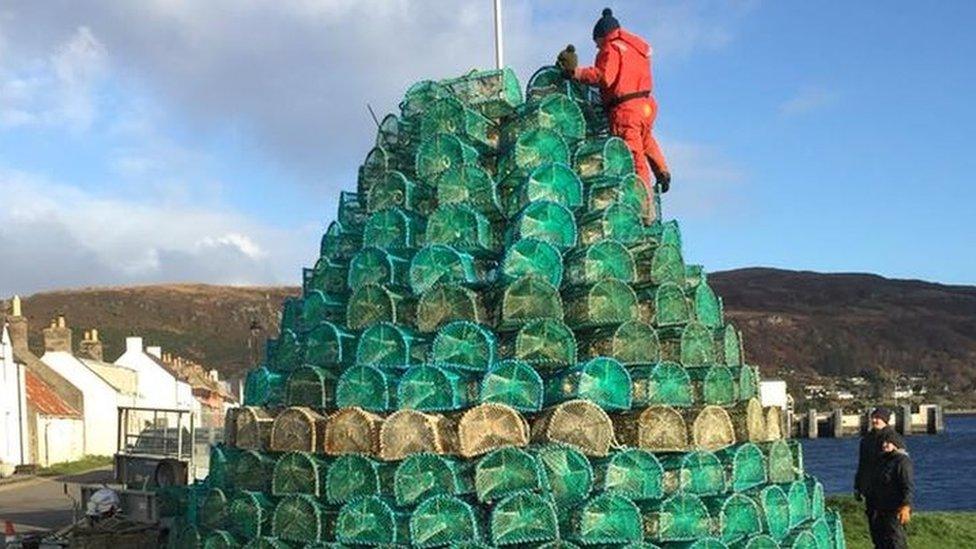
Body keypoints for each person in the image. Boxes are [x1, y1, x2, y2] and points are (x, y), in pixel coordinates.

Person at [556, 8, 671, 223]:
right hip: (645, 106)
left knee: (632, 157)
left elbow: (604, 77)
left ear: (602, 35)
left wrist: (576, 73)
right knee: (645, 140)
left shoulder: (610, 48)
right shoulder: (636, 49)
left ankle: (644, 212)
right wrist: (660, 169)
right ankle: (663, 171)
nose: (597, 46)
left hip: (625, 108)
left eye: (597, 42)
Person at [866, 430, 914, 549]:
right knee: (880, 541)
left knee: (895, 541)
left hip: (894, 509)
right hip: (878, 508)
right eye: (883, 442)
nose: (884, 445)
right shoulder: (882, 460)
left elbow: (907, 485)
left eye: (888, 442)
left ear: (896, 444)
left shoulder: (902, 461)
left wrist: (906, 506)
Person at [855, 407, 898, 502]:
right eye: (873, 418)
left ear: (885, 420)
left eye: (877, 418)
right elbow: (862, 464)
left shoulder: (892, 437)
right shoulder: (867, 439)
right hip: (870, 488)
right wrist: (858, 486)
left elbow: (901, 462)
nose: (874, 420)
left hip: (887, 487)